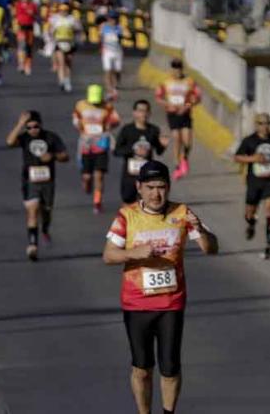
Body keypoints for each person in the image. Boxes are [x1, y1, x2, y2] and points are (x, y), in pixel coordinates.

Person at [102, 160, 219, 414]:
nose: (157, 193)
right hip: (137, 304)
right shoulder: (126, 216)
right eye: (151, 187)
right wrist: (134, 253)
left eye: (162, 187)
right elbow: (109, 255)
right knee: (142, 368)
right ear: (139, 188)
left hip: (171, 303)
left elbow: (211, 249)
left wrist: (200, 230)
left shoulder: (182, 213)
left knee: (170, 366)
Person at [6, 110, 70, 261]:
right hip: (30, 180)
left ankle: (45, 228)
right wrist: (20, 124)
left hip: (48, 181)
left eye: (35, 127)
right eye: (29, 127)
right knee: (32, 211)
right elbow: (9, 142)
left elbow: (65, 156)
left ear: (40, 125)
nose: (33, 130)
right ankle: (33, 245)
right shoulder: (24, 138)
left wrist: (53, 156)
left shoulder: (51, 137)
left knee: (46, 211)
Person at [234, 113, 270, 260]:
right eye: (262, 123)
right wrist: (253, 158)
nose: (266, 126)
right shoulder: (249, 141)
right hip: (254, 181)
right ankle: (251, 224)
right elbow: (237, 157)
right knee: (249, 213)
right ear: (256, 125)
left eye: (268, 123)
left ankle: (268, 247)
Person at [74, 84, 122, 214]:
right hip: (86, 144)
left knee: (99, 176)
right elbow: (76, 120)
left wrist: (109, 125)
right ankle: (87, 185)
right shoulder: (80, 105)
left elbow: (117, 120)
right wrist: (80, 128)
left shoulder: (107, 107)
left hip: (101, 144)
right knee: (87, 177)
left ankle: (97, 202)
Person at [114, 100, 169, 206]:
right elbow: (117, 151)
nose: (143, 113)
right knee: (128, 203)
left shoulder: (153, 130)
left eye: (146, 111)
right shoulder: (127, 130)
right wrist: (133, 150)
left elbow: (159, 151)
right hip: (130, 174)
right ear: (134, 113)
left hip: (147, 175)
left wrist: (163, 145)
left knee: (146, 204)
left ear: (149, 113)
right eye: (140, 111)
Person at [155, 59, 202, 181]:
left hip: (185, 113)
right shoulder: (166, 82)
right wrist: (167, 105)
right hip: (172, 113)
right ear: (171, 69)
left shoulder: (189, 81)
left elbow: (197, 96)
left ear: (182, 69)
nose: (177, 71)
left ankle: (184, 158)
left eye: (179, 68)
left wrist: (187, 106)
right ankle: (177, 166)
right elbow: (158, 96)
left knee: (187, 141)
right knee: (176, 137)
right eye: (174, 68)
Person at [50, 3, 83, 92]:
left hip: (70, 43)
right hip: (59, 42)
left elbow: (79, 30)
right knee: (61, 63)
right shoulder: (55, 19)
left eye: (65, 11)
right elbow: (51, 31)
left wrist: (73, 30)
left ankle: (67, 81)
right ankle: (61, 81)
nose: (63, 12)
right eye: (61, 10)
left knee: (68, 63)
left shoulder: (72, 19)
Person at [14, 0, 39, 75]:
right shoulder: (18, 5)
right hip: (21, 28)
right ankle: (21, 64)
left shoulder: (33, 5)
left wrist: (33, 14)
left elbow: (36, 16)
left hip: (30, 28)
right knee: (21, 46)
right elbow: (17, 15)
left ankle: (28, 65)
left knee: (29, 47)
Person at [100, 12, 125, 99]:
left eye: (114, 19)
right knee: (108, 70)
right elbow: (101, 38)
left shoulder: (119, 28)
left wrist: (118, 35)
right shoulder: (104, 27)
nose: (112, 21)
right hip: (107, 51)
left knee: (117, 70)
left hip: (117, 51)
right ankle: (110, 89)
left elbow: (121, 39)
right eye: (110, 19)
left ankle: (116, 84)